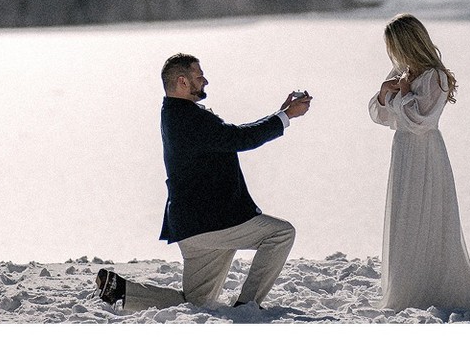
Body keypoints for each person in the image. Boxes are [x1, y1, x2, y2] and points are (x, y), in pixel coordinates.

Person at [96, 54, 311, 313]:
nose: (205, 80)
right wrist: (285, 116)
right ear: (183, 82)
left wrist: (280, 114)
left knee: (196, 304)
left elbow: (232, 136)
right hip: (214, 222)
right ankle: (248, 306)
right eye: (199, 76)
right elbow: (239, 138)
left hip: (194, 228)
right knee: (281, 234)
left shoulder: (175, 113)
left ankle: (121, 291)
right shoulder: (188, 118)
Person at [367, 13, 470, 314]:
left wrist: (403, 93)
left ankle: (435, 285)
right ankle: (407, 285)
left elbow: (419, 119)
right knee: (406, 214)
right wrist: (385, 94)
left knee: (429, 213)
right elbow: (381, 115)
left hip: (425, 151)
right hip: (405, 150)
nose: (392, 54)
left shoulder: (434, 77)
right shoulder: (403, 71)